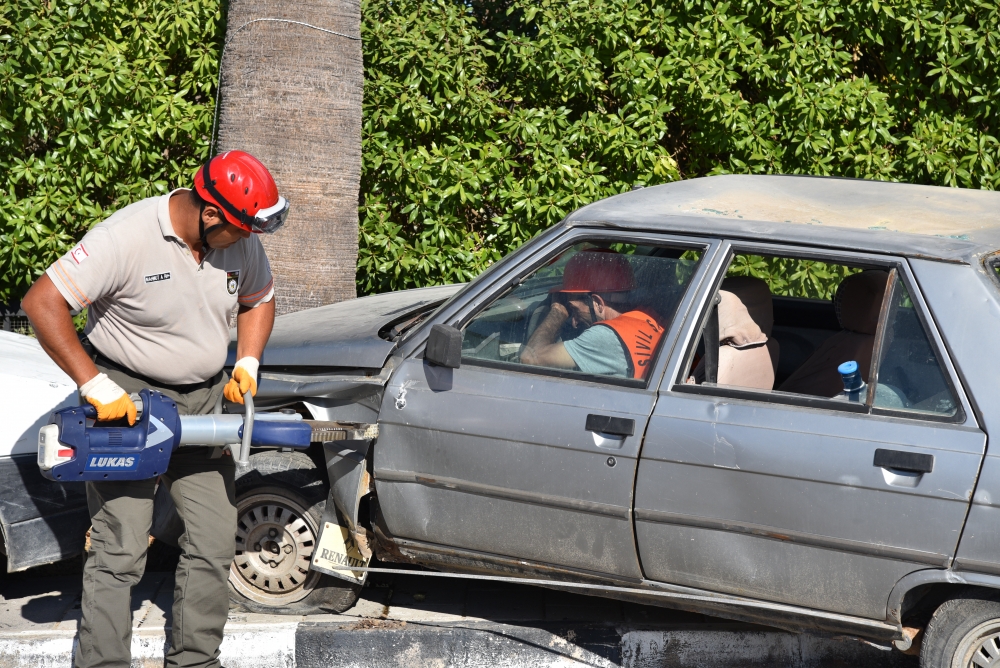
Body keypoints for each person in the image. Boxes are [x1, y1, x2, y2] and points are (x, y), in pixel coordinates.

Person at [22, 150, 288, 668]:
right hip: (127, 400)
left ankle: (194, 660)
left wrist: (249, 361)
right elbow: (41, 302)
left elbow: (260, 299)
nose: (250, 240)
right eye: (242, 228)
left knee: (213, 541)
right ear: (211, 215)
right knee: (120, 548)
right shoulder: (127, 237)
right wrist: (95, 385)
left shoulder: (241, 244)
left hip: (203, 401)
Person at [520, 250, 665, 379]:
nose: (574, 322)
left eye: (574, 309)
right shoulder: (647, 316)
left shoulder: (604, 337)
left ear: (597, 303)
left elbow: (530, 358)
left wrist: (558, 310)